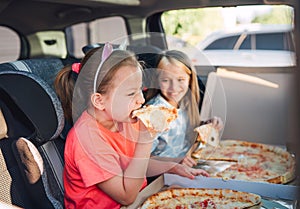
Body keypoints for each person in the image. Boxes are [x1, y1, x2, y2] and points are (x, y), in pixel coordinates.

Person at [56, 43, 208, 209]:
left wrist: (172, 166)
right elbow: (126, 196)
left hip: (137, 199)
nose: (141, 100)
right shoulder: (87, 139)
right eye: (131, 93)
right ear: (99, 101)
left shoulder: (124, 119)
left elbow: (136, 164)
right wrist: (145, 139)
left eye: (140, 90)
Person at [144, 50, 223, 168]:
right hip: (160, 175)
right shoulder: (155, 112)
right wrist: (176, 161)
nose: (174, 87)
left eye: (180, 80)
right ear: (157, 81)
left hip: (184, 168)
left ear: (190, 79)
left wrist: (207, 125)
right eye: (165, 80)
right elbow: (143, 159)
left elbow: (180, 133)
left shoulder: (184, 104)